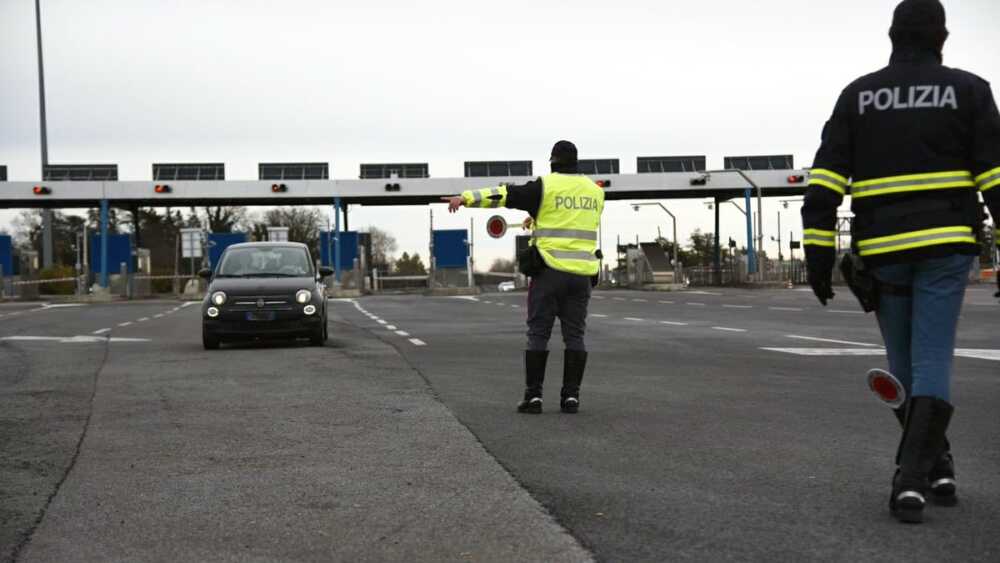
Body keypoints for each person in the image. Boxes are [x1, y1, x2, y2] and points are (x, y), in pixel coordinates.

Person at [802, 0, 1000, 524]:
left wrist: (817, 256)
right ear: (943, 37)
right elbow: (995, 178)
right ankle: (922, 473)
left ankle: (926, 470)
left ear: (891, 37)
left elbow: (824, 183)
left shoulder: (857, 95)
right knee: (933, 358)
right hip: (946, 247)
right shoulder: (971, 91)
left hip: (883, 252)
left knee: (903, 361)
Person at [442, 140, 605, 414]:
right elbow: (572, 220)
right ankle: (571, 397)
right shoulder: (595, 192)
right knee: (575, 336)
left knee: (538, 333)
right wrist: (537, 219)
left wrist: (465, 198)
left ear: (553, 161)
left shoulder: (545, 186)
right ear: (577, 162)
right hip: (582, 276)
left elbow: (504, 194)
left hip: (549, 273)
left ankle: (533, 397)